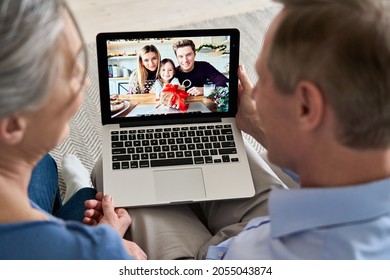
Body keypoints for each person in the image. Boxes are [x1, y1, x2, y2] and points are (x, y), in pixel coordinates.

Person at [0, 0, 146, 260]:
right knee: (88, 198)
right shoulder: (98, 255)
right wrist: (112, 248)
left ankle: (74, 192)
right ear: (11, 124)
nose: (86, 80)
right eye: (69, 71)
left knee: (43, 164)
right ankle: (78, 190)